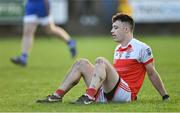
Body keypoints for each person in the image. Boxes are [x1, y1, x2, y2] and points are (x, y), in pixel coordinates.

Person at [36, 13, 169, 104]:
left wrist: (165, 95)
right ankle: (56, 96)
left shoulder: (142, 48)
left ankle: (89, 96)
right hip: (110, 93)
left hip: (127, 94)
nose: (112, 31)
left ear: (127, 29)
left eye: (116, 28)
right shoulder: (118, 49)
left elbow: (152, 73)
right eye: (112, 27)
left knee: (101, 60)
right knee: (80, 63)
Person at [10, 0, 77, 66]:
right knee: (28, 32)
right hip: (30, 5)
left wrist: (46, 6)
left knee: (50, 30)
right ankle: (23, 57)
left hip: (42, 5)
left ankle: (70, 42)